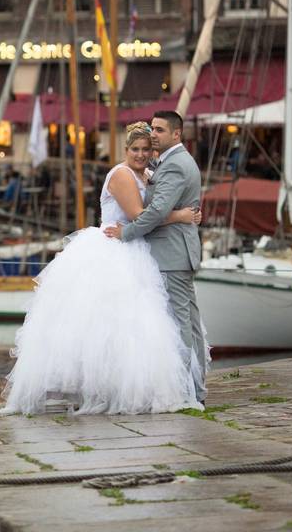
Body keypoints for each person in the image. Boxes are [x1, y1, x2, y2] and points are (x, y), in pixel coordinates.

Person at [0, 121, 204, 415]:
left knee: (134, 328)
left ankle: (129, 388)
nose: (140, 154)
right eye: (135, 149)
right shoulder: (121, 175)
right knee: (103, 326)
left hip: (136, 250)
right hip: (113, 248)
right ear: (125, 149)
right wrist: (182, 216)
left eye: (146, 149)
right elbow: (139, 215)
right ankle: (93, 389)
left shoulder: (145, 174)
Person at [104, 111, 208, 406]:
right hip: (168, 252)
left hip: (170, 253)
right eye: (152, 130)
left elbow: (156, 212)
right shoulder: (159, 165)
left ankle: (187, 393)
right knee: (187, 325)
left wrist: (126, 233)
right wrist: (185, 215)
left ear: (176, 134)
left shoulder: (174, 165)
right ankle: (194, 390)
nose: (153, 136)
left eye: (159, 131)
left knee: (179, 327)